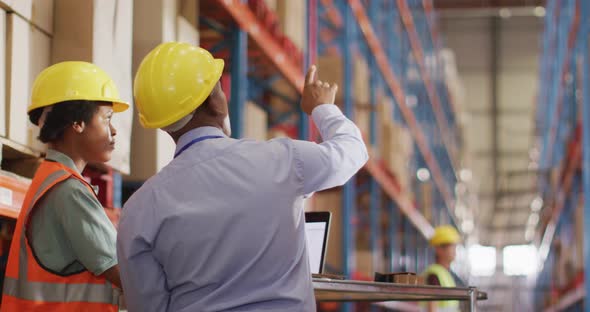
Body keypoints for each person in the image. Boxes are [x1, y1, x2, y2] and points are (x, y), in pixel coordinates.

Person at [117, 42, 369, 312]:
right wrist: (323, 107)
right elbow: (351, 152)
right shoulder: (282, 160)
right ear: (216, 101)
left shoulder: (139, 209)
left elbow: (148, 306)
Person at [1, 62, 128, 311]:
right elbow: (126, 275)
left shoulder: (51, 179)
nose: (114, 130)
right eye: (107, 119)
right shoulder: (69, 191)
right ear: (76, 123)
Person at [422, 225, 465, 312]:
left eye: (455, 246)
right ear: (439, 249)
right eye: (451, 246)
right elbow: (432, 309)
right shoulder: (434, 274)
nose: (455, 251)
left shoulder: (445, 274)